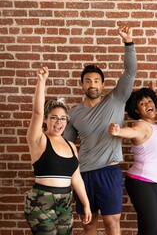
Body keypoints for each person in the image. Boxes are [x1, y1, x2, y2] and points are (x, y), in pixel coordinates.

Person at [64, 26, 137, 235]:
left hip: (109, 171)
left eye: (96, 80)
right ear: (82, 85)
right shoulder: (74, 113)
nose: (92, 84)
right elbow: (68, 146)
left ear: (103, 85)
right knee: (88, 224)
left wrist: (128, 43)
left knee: (111, 223)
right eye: (88, 81)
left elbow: (130, 71)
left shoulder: (116, 99)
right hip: (83, 174)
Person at [25, 66, 92, 234]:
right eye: (54, 117)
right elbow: (37, 112)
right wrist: (41, 82)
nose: (58, 122)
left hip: (66, 202)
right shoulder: (38, 140)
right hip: (42, 200)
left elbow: (76, 179)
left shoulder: (70, 146)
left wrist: (86, 204)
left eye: (63, 119)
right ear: (46, 119)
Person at [108, 86, 157, 235]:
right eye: (142, 103)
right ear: (136, 111)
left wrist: (152, 89)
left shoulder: (154, 126)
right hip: (143, 182)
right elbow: (133, 132)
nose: (148, 104)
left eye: (149, 101)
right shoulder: (141, 125)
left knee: (147, 229)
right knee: (153, 230)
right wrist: (119, 131)